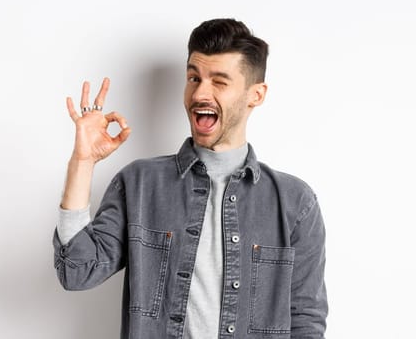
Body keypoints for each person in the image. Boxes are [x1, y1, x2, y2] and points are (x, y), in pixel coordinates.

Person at [53, 18, 327, 339]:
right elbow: (76, 272)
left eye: (219, 82)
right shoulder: (140, 184)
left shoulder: (295, 202)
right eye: (194, 78)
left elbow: (305, 319)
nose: (200, 93)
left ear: (255, 95)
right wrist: (82, 162)